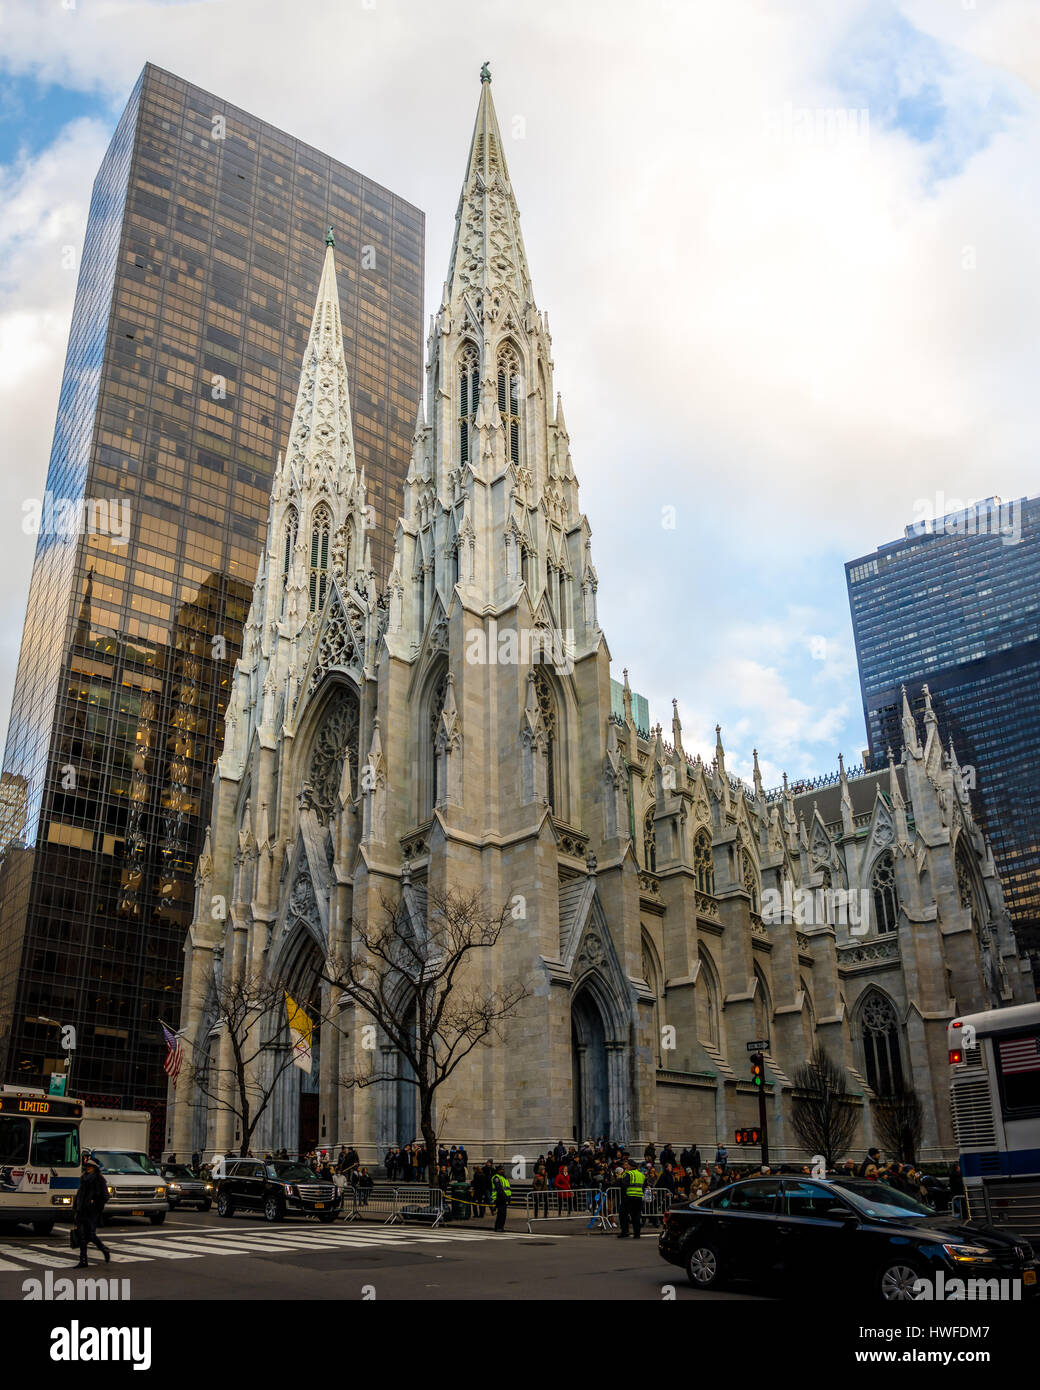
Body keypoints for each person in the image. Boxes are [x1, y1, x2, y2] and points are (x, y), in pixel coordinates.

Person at [73, 1153, 111, 1268]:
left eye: (90, 1166)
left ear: (95, 1168)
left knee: (90, 1235)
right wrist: (75, 1207)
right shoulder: (83, 1178)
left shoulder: (99, 1180)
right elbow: (79, 1194)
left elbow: (105, 1196)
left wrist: (94, 1204)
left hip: (91, 1212)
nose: (88, 1168)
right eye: (87, 1166)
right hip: (81, 1211)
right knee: (81, 1236)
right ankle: (83, 1261)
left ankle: (104, 1249)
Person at [617, 1158, 646, 1238]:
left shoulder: (628, 1174)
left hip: (629, 1197)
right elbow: (644, 1186)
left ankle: (625, 1232)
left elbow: (623, 1186)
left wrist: (619, 1179)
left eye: (627, 1165)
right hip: (639, 1197)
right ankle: (637, 1234)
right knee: (636, 1216)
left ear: (630, 1166)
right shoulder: (641, 1175)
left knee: (623, 1214)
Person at [491, 1165, 511, 1231]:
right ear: (498, 1171)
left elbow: (507, 1189)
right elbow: (499, 1189)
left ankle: (500, 1227)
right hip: (499, 1197)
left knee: (503, 1214)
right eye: (501, 1169)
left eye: (503, 1169)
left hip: (504, 1197)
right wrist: (505, 1197)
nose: (503, 1171)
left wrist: (509, 1197)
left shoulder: (503, 1178)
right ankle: (498, 1227)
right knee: (501, 1214)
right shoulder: (496, 1178)